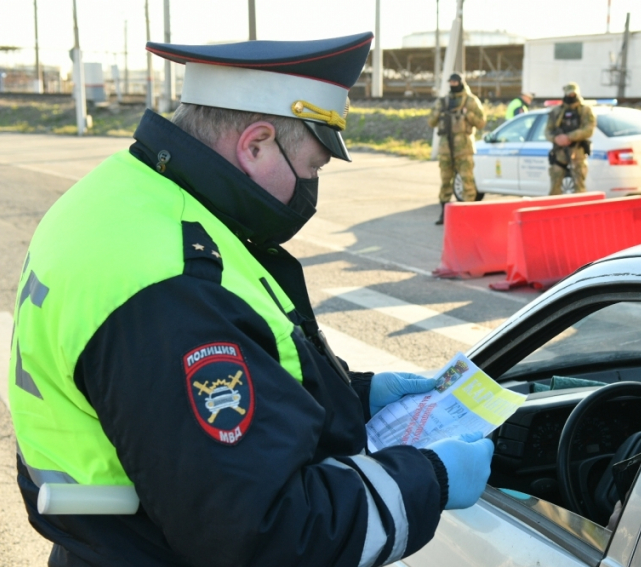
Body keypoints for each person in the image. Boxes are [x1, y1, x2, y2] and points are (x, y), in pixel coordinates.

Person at [8, 33, 494, 567]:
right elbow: (267, 535)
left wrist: (356, 395)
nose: (307, 189)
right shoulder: (175, 288)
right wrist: (433, 479)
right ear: (256, 143)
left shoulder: (120, 197)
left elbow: (207, 391)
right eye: (309, 168)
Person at [427, 73, 486, 225]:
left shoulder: (470, 101)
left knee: (467, 181)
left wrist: (468, 115)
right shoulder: (443, 101)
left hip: (464, 149)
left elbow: (481, 123)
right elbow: (430, 121)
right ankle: (444, 213)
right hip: (446, 149)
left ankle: (468, 215)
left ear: (461, 82)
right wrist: (438, 113)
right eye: (451, 82)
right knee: (445, 181)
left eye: (455, 81)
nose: (453, 84)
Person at [545, 82, 596, 195]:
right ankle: (555, 209)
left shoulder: (585, 110)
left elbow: (589, 130)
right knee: (555, 186)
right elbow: (547, 131)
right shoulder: (557, 111)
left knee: (579, 187)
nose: (572, 96)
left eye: (574, 94)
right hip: (559, 153)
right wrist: (556, 139)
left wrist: (569, 137)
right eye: (570, 94)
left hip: (577, 152)